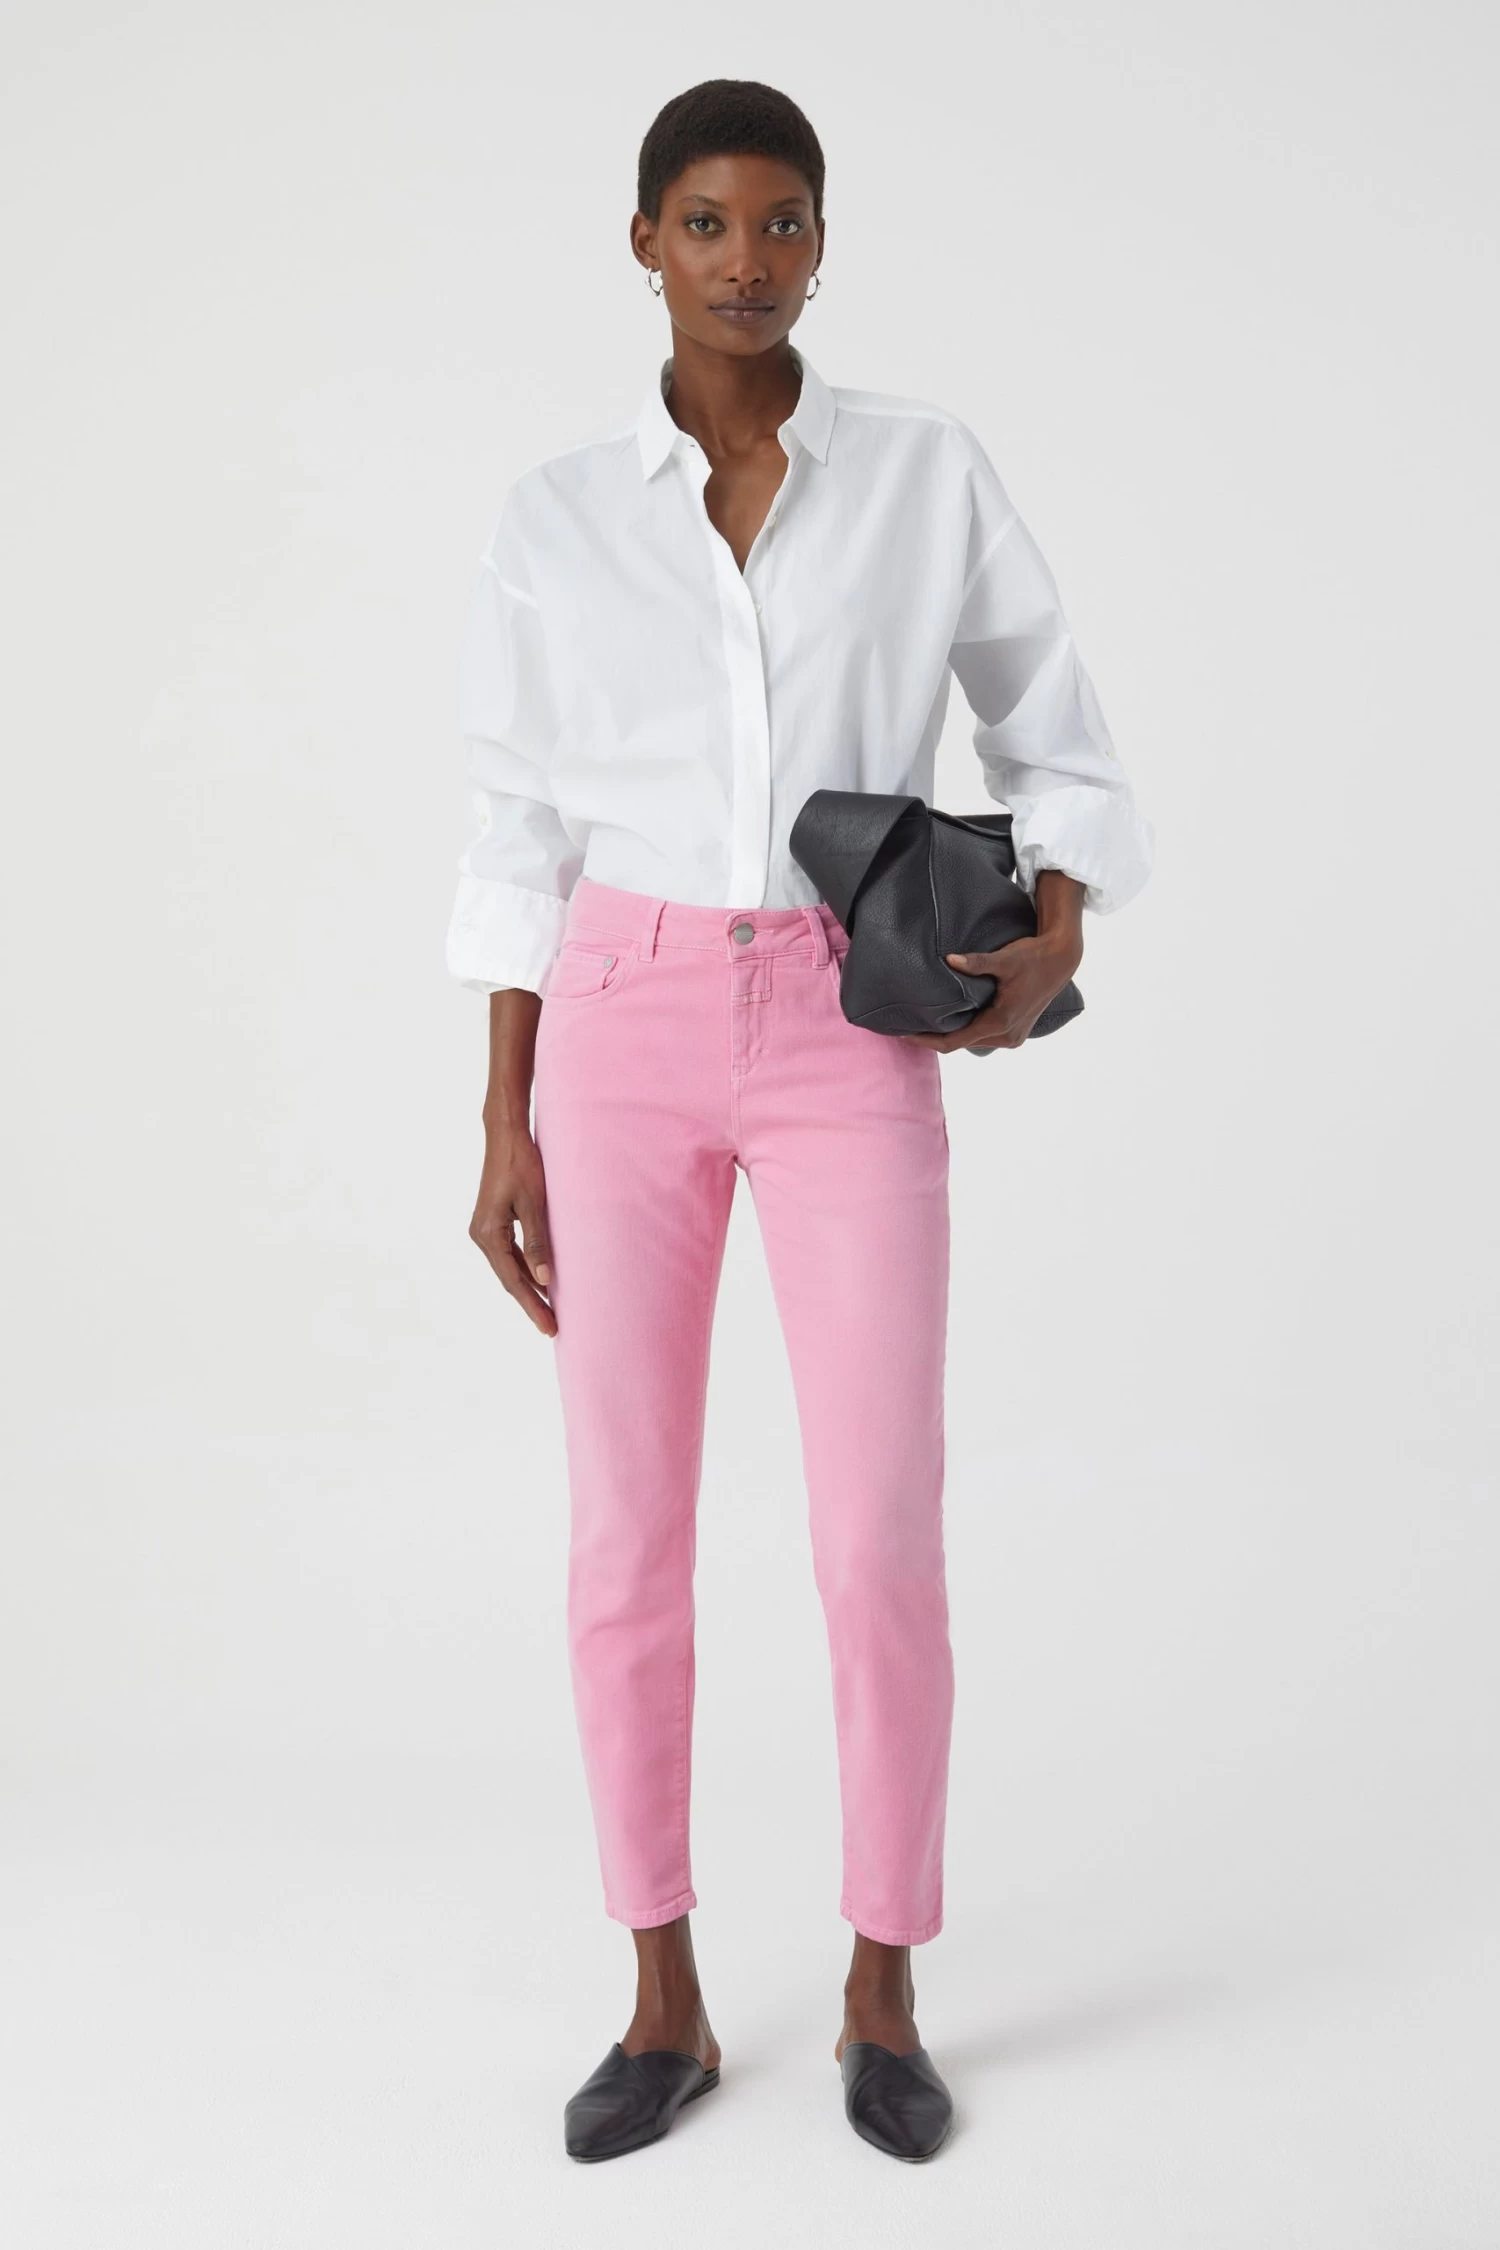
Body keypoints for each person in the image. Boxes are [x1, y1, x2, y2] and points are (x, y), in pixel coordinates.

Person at [446, 78, 1152, 2164]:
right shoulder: (557, 514)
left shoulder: (925, 474)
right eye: (705, 221)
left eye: (781, 223)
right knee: (624, 1534)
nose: (745, 260)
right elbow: (516, 824)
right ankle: (659, 1990)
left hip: (849, 1021)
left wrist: (1055, 919)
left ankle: (882, 1980)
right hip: (621, 1015)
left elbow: (1055, 726)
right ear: (643, 243)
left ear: (824, 247)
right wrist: (503, 1114)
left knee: (876, 1534)